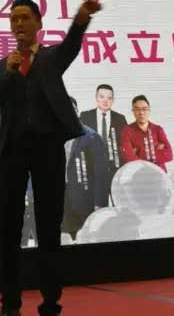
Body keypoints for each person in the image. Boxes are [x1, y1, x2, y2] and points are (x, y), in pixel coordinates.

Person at [0, 0, 101, 316]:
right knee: (9, 230)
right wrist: (9, 74)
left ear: (38, 24)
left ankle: (50, 303)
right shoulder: (0, 66)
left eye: (25, 18)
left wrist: (82, 18)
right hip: (12, 154)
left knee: (49, 228)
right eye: (14, 19)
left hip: (47, 151)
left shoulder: (51, 58)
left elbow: (72, 44)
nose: (19, 23)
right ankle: (10, 304)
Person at [62, 97, 109, 241]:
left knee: (86, 238)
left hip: (84, 199)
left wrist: (100, 204)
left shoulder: (91, 137)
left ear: (77, 111)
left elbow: (101, 174)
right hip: (63, 197)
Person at [79, 84, 128, 191]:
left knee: (117, 197)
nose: (105, 101)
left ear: (113, 100)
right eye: (102, 97)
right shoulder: (85, 116)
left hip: (115, 170)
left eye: (109, 98)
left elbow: (125, 144)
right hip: (92, 169)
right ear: (96, 97)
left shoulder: (120, 119)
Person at [119, 95, 173, 173]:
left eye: (144, 109)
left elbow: (169, 155)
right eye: (137, 109)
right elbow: (129, 158)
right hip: (139, 175)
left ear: (149, 110)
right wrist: (155, 150)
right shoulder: (127, 131)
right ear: (133, 111)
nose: (141, 112)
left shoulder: (158, 129)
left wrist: (140, 152)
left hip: (160, 174)